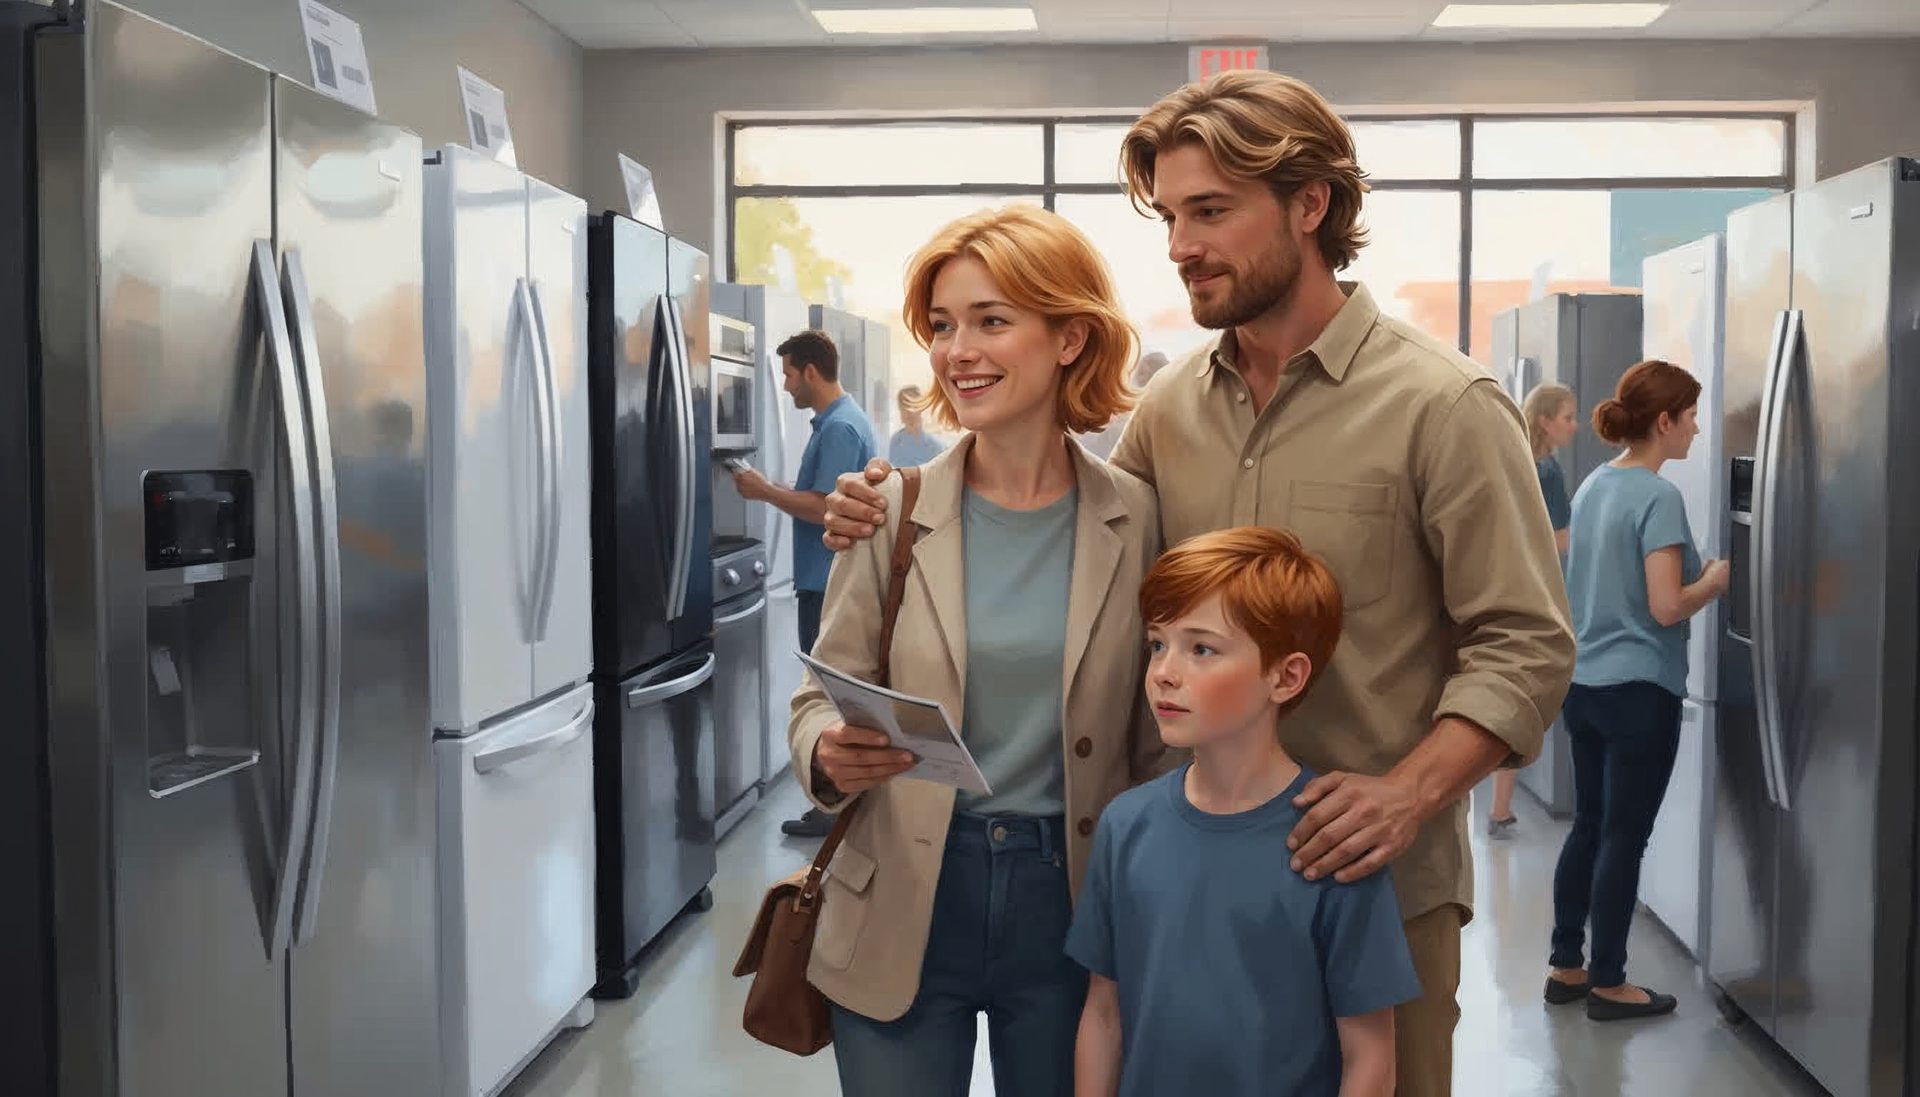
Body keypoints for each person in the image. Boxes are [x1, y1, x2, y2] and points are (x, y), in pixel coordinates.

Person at [821, 70, 1575, 1094]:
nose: (1180, 244)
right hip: (1187, 891)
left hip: (1367, 880)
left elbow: (1526, 641)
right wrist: (888, 494)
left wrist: (1408, 792)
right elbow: (1061, 541)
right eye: (1171, 216)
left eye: (1211, 211)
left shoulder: (1443, 405)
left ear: (1310, 206)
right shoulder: (1170, 412)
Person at [788, 205, 1164, 1097]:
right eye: (945, 326)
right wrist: (827, 753)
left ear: (1071, 337)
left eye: (993, 321)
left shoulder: (1138, 519)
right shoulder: (890, 509)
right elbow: (817, 697)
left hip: (1073, 902)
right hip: (905, 893)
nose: (959, 351)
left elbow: (1158, 735)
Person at [1069, 527, 1418, 1097]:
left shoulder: (1332, 840)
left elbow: (1371, 1056)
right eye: (1158, 643)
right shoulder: (1125, 826)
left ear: (1286, 676)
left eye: (1201, 648)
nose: (1164, 671)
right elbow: (1104, 1014)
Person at [1544, 360, 1729, 1022]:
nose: (1697, 427)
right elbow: (1666, 606)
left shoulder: (1596, 483)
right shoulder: (1658, 497)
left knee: (1591, 826)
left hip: (1585, 686)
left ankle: (1567, 965)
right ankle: (1610, 981)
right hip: (1637, 692)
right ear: (1664, 421)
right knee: (1625, 836)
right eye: (1690, 415)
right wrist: (1713, 580)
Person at [731, 329, 878, 839]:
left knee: (830, 697)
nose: (787, 386)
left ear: (811, 372)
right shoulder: (839, 421)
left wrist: (763, 490)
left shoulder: (839, 428)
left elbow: (821, 507)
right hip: (824, 577)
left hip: (827, 580)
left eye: (790, 374)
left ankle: (831, 807)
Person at [1489, 382, 1580, 838]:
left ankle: (1498, 807)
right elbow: (1558, 539)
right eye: (1567, 417)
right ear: (1546, 420)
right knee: (1528, 700)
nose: (1574, 426)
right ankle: (1500, 810)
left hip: (1502, 585)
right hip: (1539, 593)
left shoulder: (1516, 457)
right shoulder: (1549, 472)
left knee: (1506, 694)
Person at [887, 384, 946, 467]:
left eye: (912, 406)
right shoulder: (895, 441)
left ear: (921, 408)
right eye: (903, 407)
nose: (908, 412)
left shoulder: (935, 446)